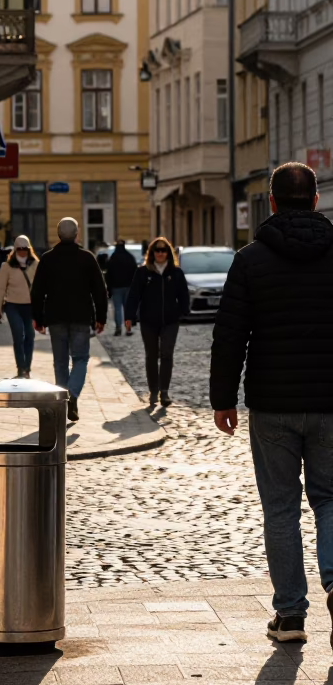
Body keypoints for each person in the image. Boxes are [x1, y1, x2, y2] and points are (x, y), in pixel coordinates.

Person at [211, 161, 333, 647]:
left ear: (272, 202)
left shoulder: (251, 259)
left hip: (272, 404)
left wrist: (222, 398)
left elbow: (229, 335)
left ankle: (290, 617)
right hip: (331, 402)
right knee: (330, 497)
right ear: (317, 201)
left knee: (281, 507)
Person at [30, 217, 107, 423]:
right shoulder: (87, 258)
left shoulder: (47, 259)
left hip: (55, 317)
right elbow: (99, 290)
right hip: (81, 316)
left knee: (60, 362)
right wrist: (101, 317)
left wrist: (38, 318)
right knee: (80, 359)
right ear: (76, 234)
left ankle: (63, 402)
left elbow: (37, 291)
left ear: (58, 234)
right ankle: (72, 395)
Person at [125, 237, 189, 409]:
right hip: (148, 320)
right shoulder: (143, 273)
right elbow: (133, 295)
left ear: (168, 253)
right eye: (157, 250)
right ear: (152, 253)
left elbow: (183, 294)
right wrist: (128, 316)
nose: (160, 253)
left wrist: (184, 311)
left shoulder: (175, 273)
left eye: (163, 250)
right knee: (151, 355)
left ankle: (164, 391)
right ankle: (153, 390)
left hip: (170, 320)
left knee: (167, 355)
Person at [0, 236, 39, 378]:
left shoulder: (36, 265)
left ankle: (27, 368)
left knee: (30, 336)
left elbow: (41, 287)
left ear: (29, 249)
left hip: (30, 306)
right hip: (12, 306)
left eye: (25, 249)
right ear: (15, 249)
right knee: (18, 335)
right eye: (20, 249)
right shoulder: (6, 267)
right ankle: (21, 368)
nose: (23, 252)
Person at [105, 239, 139, 336]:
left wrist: (109, 288)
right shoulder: (129, 257)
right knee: (127, 308)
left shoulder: (113, 257)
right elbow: (135, 272)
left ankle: (118, 328)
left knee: (117, 309)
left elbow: (109, 274)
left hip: (116, 287)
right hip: (128, 286)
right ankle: (128, 328)